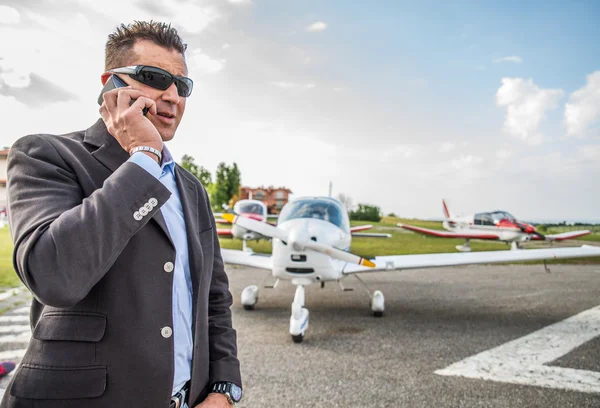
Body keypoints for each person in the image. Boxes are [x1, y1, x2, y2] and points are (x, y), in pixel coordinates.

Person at [3, 21, 242, 407]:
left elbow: (215, 297)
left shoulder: (191, 188)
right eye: (154, 77)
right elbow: (53, 276)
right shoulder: (46, 155)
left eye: (182, 86)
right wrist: (144, 158)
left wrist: (224, 388)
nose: (172, 97)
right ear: (111, 83)